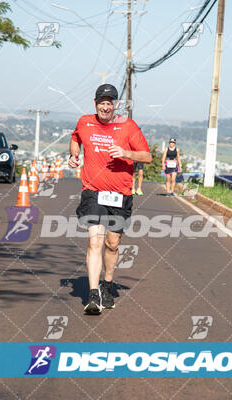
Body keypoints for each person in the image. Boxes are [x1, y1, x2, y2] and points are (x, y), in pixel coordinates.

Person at [68, 83, 152, 315]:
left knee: (112, 244)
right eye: (102, 102)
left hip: (120, 194)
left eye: (110, 102)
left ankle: (107, 285)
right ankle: (93, 295)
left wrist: (126, 153)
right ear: (95, 104)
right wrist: (74, 155)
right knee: (95, 242)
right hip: (93, 191)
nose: (106, 107)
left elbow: (147, 156)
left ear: (115, 105)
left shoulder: (128, 126)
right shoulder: (84, 122)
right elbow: (75, 139)